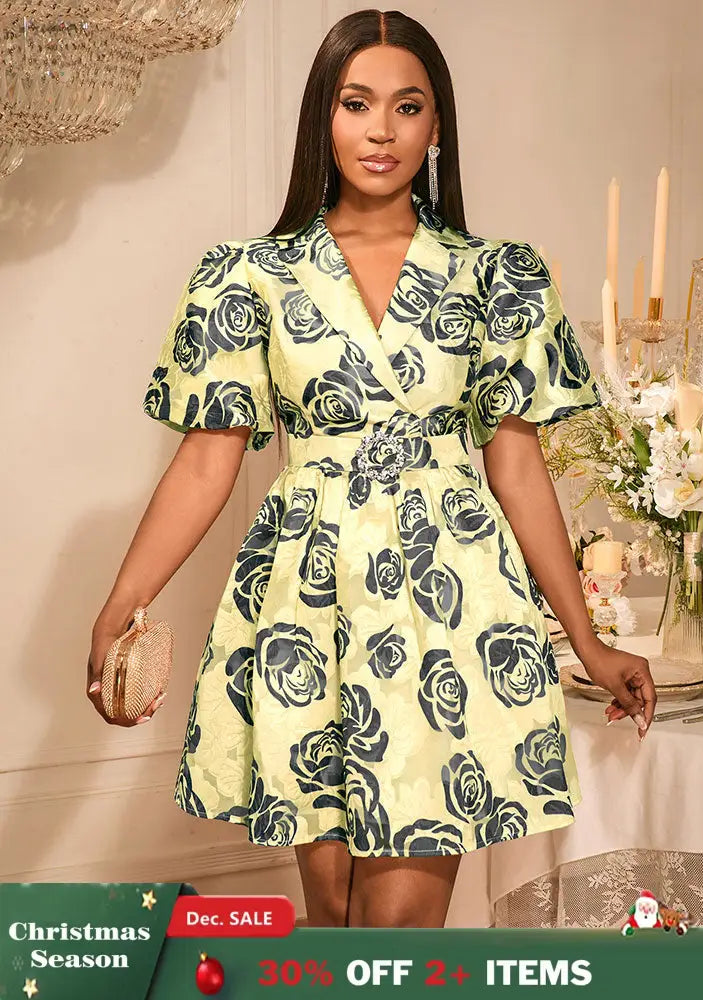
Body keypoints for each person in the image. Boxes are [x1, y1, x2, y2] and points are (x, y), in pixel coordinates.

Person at [87, 8, 656, 929]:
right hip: (304, 601)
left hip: (450, 602)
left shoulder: (500, 275)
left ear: (437, 127)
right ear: (324, 117)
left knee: (397, 929)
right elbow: (204, 462)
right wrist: (124, 601)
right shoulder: (246, 276)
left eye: (407, 106)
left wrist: (586, 643)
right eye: (356, 104)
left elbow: (516, 468)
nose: (381, 130)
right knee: (336, 915)